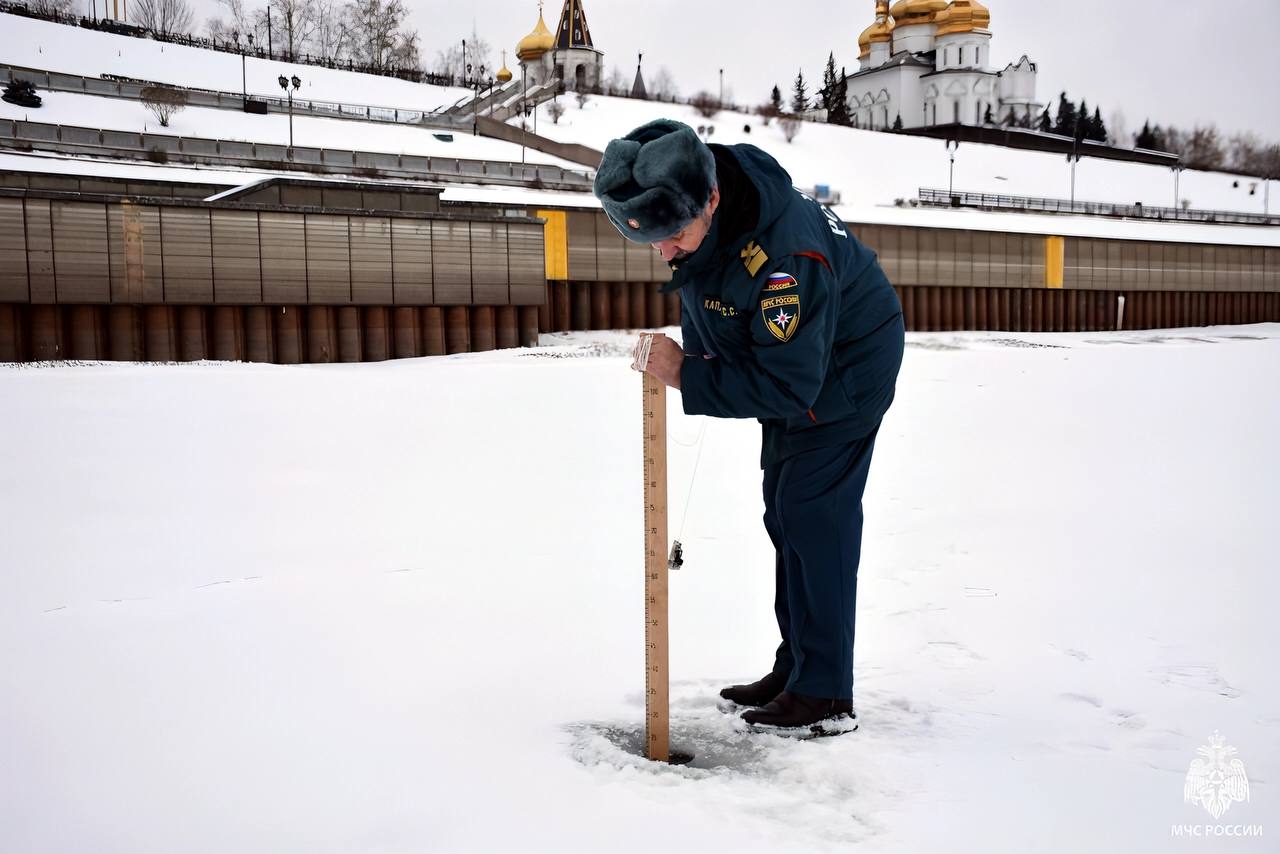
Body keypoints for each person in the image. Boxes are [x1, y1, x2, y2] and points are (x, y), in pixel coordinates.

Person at [594, 118, 904, 730]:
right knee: (784, 512)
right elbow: (716, 294)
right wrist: (699, 360)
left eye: (673, 236)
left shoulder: (786, 259)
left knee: (815, 517)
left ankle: (825, 693)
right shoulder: (711, 202)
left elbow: (790, 382)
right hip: (798, 368)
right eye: (653, 239)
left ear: (710, 200)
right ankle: (799, 667)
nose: (665, 252)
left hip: (843, 373)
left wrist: (689, 374)